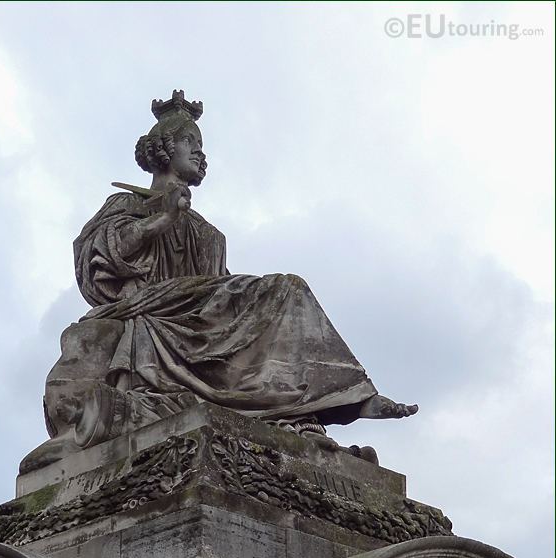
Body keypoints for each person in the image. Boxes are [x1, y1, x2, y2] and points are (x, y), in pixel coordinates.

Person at [20, 91, 416, 474]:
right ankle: (341, 399)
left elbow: (219, 291)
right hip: (151, 308)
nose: (199, 152)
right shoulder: (128, 205)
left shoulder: (208, 234)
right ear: (163, 149)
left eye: (201, 145)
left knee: (276, 298)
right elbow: (100, 259)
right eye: (189, 142)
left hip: (198, 315)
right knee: (287, 287)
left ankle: (333, 400)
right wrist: (163, 221)